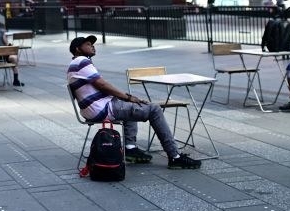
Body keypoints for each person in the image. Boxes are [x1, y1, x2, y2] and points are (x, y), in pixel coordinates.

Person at [67, 35, 201, 169]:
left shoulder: (75, 64)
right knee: (154, 109)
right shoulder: (82, 61)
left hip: (93, 110)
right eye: (88, 44)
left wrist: (126, 98)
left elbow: (100, 87)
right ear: (78, 49)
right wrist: (128, 97)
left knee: (131, 106)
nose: (92, 46)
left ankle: (130, 149)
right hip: (102, 109)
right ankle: (175, 156)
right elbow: (102, 85)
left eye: (92, 44)